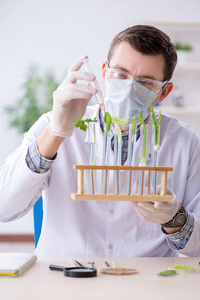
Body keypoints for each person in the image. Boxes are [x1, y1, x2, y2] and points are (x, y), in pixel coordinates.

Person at [0, 25, 200, 258]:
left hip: (146, 284)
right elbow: (4, 208)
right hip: (64, 278)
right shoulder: (56, 123)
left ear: (163, 93)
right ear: (104, 73)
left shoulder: (185, 141)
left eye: (145, 83)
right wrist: (56, 131)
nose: (128, 89)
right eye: (121, 74)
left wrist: (174, 218)